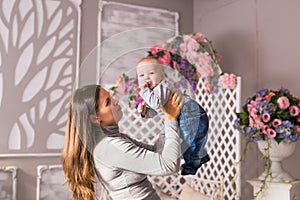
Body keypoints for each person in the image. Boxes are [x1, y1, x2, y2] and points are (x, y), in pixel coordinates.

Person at [61, 84, 184, 200]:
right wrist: (171, 119)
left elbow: (157, 152)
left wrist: (168, 118)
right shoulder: (111, 147)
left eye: (110, 96)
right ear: (95, 118)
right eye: (108, 102)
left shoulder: (112, 140)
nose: (115, 100)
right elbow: (169, 165)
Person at [136, 56, 210, 175]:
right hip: (180, 115)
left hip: (190, 112)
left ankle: (193, 163)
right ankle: (200, 156)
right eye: (141, 75)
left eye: (151, 73)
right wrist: (145, 112)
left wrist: (144, 91)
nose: (146, 78)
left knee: (186, 140)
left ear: (162, 76)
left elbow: (156, 104)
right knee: (179, 140)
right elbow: (156, 111)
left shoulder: (162, 86)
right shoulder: (153, 92)